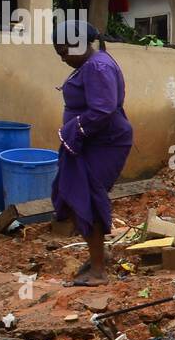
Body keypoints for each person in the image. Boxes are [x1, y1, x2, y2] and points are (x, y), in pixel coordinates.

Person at [52, 20, 134, 286]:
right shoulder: (91, 64)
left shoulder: (98, 66)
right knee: (71, 192)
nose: (63, 58)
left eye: (64, 51)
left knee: (88, 197)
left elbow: (102, 109)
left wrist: (74, 131)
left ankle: (98, 271)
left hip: (104, 142)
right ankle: (99, 254)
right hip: (90, 140)